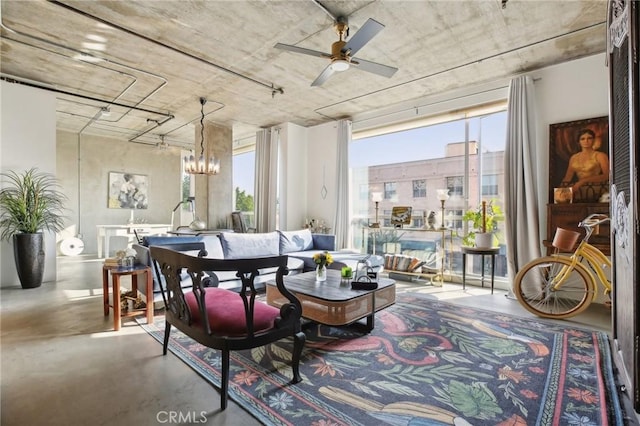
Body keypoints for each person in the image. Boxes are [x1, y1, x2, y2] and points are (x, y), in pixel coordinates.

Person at [560, 129, 609, 198]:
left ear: (593, 140)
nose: (586, 141)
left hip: (595, 189)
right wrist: (560, 190)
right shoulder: (574, 158)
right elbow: (567, 178)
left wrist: (583, 181)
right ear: (578, 142)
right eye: (582, 139)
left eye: (589, 138)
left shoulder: (600, 155)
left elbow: (606, 176)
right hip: (578, 190)